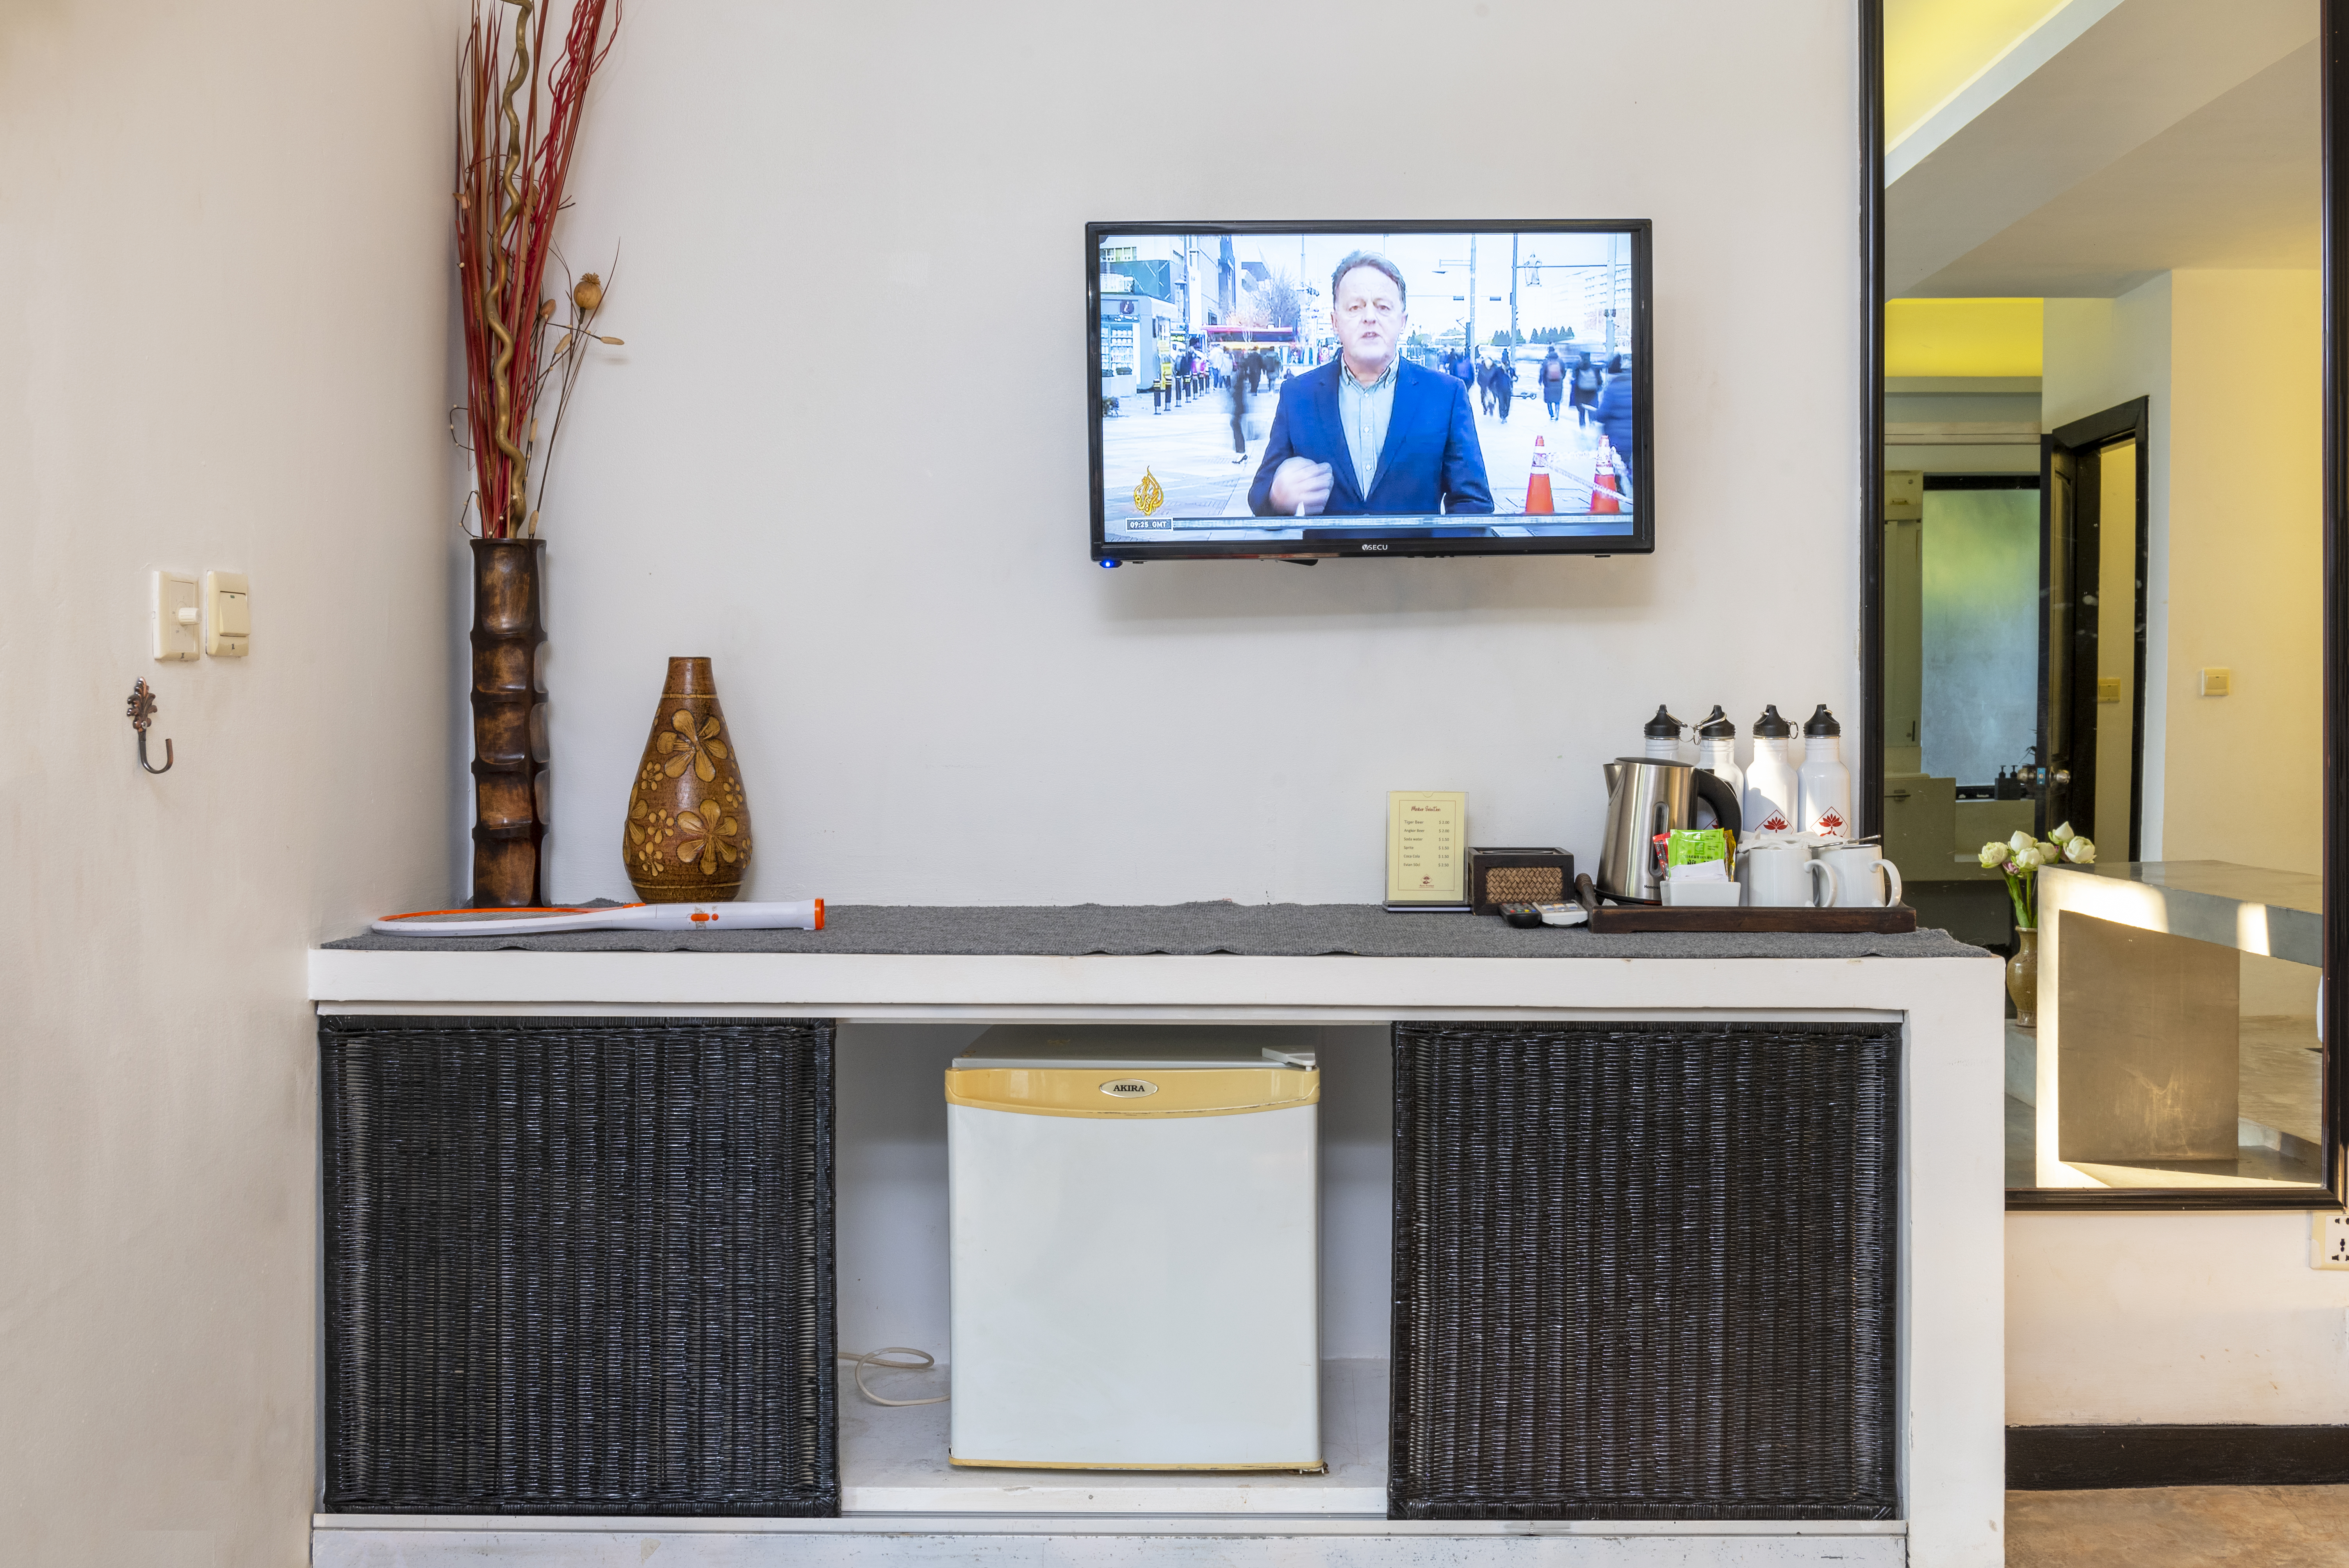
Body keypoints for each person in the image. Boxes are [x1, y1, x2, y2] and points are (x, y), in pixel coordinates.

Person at [1247, 251, 1491, 518]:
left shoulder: (1446, 396)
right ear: (1335, 323)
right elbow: (1259, 497)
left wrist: (1432, 557)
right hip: (1330, 560)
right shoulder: (1297, 396)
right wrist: (1277, 497)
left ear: (1403, 321)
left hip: (1416, 561)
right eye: (1355, 307)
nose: (1370, 317)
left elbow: (1473, 505)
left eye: (1383, 307)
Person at [1594, 354, 1636, 493]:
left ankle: (1618, 491)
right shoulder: (1636, 385)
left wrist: (1596, 415)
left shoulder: (1613, 388)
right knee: (1631, 466)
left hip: (1617, 437)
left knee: (1616, 464)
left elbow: (1602, 414)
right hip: (1636, 435)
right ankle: (1638, 491)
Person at [1570, 351, 1599, 427]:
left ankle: (1583, 430)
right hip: (1592, 394)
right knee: (1591, 411)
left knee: (1581, 413)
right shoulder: (1594, 368)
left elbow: (1574, 379)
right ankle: (1592, 425)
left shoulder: (1577, 367)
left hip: (1581, 394)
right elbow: (1600, 382)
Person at [1540, 347, 1566, 421]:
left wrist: (1541, 382)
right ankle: (1557, 414)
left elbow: (1543, 373)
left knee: (1549, 400)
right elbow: (1564, 371)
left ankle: (1552, 415)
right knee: (1558, 400)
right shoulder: (1561, 362)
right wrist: (1561, 379)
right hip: (1559, 383)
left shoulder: (1546, 362)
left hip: (1549, 383)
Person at [1493, 355, 1514, 424]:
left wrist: (1514, 379)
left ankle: (1506, 415)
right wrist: (1491, 387)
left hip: (1508, 390)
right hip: (1500, 390)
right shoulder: (1498, 371)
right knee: (1502, 404)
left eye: (1507, 364)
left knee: (1507, 404)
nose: (1506, 365)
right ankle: (1503, 417)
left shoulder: (1511, 370)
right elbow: (1493, 379)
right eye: (1505, 363)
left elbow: (1515, 377)